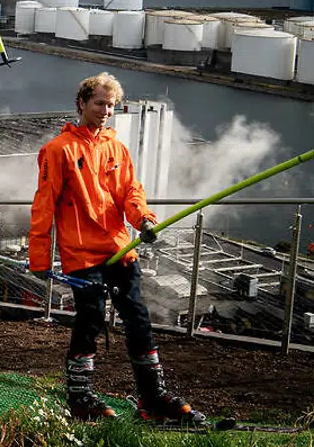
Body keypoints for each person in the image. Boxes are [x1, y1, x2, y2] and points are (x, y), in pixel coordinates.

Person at [30, 72, 202, 424]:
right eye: (99, 104)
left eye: (111, 105)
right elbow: (43, 206)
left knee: (138, 318)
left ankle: (152, 398)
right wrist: (39, 257)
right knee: (90, 319)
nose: (106, 111)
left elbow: (130, 192)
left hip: (120, 248)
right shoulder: (58, 150)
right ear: (81, 103)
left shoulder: (116, 148)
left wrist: (144, 220)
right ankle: (80, 398)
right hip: (81, 253)